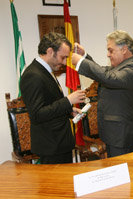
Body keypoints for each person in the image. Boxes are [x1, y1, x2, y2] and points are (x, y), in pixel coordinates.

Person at [72, 30, 133, 158]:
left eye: (111, 50)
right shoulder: (118, 67)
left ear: (124, 49)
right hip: (114, 135)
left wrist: (81, 62)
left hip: (122, 138)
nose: (108, 55)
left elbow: (108, 78)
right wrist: (84, 56)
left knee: (126, 175)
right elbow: (103, 73)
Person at [20, 32, 86, 164]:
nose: (63, 62)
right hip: (51, 147)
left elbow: (50, 103)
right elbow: (37, 114)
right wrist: (68, 100)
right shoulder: (33, 75)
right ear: (50, 51)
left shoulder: (46, 70)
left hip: (59, 144)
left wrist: (69, 110)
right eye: (62, 57)